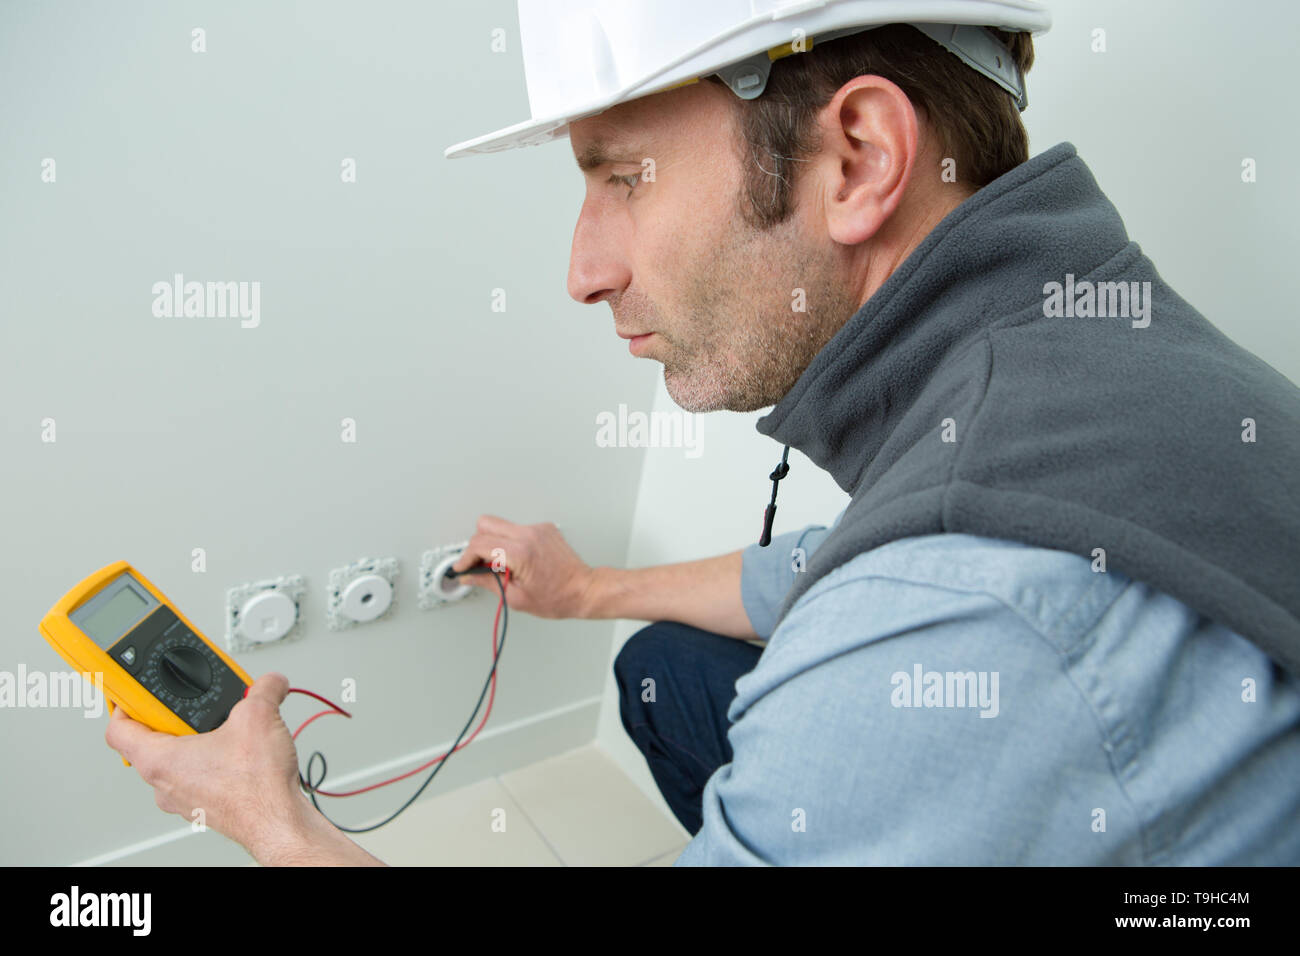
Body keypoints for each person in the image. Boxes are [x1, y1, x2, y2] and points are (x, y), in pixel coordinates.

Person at [108, 13, 1300, 865]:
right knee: (666, 667)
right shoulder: (1081, 357)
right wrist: (588, 590)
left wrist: (271, 820)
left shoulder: (960, 619)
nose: (584, 271)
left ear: (858, 159)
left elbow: (908, 590)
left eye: (623, 176)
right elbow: (825, 562)